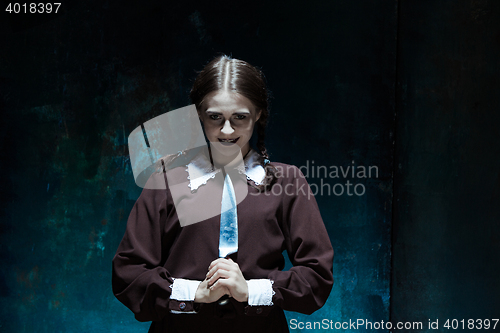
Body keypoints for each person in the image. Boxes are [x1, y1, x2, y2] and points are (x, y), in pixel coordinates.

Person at [112, 55, 334, 333]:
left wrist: (251, 291)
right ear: (198, 115)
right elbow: (128, 273)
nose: (226, 130)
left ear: (258, 115)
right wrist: (195, 293)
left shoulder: (287, 181)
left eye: (239, 117)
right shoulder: (166, 180)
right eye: (215, 117)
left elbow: (317, 276)